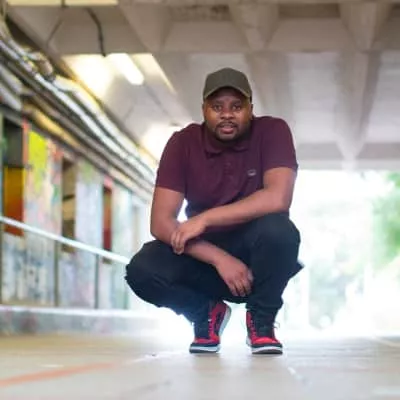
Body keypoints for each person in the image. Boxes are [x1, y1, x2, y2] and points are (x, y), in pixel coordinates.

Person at [125, 67, 302, 355]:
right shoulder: (182, 143)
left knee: (280, 231)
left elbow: (277, 198)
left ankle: (261, 320)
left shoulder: (273, 131)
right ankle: (205, 313)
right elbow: (160, 222)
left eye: (236, 106)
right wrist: (219, 258)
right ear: (204, 110)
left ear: (250, 109)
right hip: (204, 257)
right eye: (217, 107)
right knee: (142, 269)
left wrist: (206, 218)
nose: (227, 114)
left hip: (257, 259)